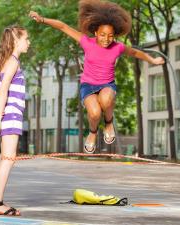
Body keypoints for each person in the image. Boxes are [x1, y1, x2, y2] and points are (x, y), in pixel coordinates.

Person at [29, 0, 164, 153]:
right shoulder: (86, 42)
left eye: (110, 36)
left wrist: (152, 60)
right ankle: (92, 133)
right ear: (95, 33)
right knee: (94, 113)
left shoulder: (117, 47)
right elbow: (63, 26)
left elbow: (134, 52)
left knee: (106, 99)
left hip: (107, 84)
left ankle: (108, 123)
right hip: (88, 86)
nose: (106, 39)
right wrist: (42, 19)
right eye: (102, 35)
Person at [0, 25, 30, 216]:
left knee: (6, 159)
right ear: (16, 41)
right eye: (26, 39)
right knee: (7, 159)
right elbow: (3, 90)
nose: (28, 43)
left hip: (9, 114)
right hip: (11, 115)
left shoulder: (8, 61)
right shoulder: (13, 61)